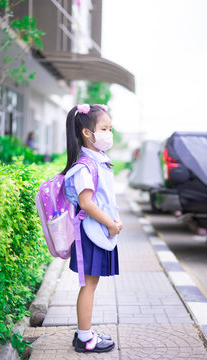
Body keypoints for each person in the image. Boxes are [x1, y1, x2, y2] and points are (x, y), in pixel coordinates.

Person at [62, 104, 122, 353]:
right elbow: (87, 203)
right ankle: (85, 338)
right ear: (87, 133)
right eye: (104, 128)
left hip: (97, 232)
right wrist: (111, 224)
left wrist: (115, 218)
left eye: (110, 128)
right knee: (89, 285)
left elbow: (106, 198)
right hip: (91, 234)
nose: (109, 133)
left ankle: (83, 333)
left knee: (91, 284)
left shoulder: (98, 161)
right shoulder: (85, 167)